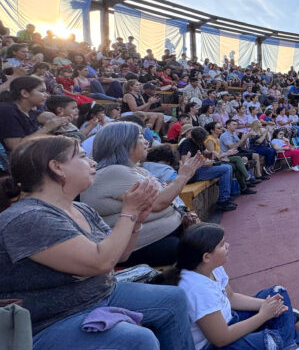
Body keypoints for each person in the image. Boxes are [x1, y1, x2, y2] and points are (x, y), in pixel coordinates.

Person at [0, 135, 194, 348]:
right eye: (82, 156)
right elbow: (101, 262)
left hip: (99, 295)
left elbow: (120, 255)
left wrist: (136, 220)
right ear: (57, 167)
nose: (92, 162)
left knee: (174, 298)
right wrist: (129, 212)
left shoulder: (81, 209)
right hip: (52, 320)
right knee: (138, 340)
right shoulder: (28, 217)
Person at [155, 223, 299, 350]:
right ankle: (287, 337)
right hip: (216, 345)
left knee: (278, 293)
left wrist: (268, 306)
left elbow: (231, 298)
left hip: (231, 319)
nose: (227, 246)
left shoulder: (212, 266)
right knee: (269, 340)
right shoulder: (197, 289)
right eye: (221, 244)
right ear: (206, 257)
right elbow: (221, 338)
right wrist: (263, 315)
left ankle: (283, 331)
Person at [81, 121, 204, 267]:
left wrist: (183, 212)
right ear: (123, 144)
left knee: (205, 239)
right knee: (200, 249)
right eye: (140, 137)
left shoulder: (137, 169)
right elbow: (159, 202)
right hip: (134, 247)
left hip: (165, 234)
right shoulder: (113, 172)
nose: (146, 141)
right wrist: (183, 176)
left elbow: (167, 196)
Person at [0, 76, 70, 152]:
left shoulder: (29, 112)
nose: (47, 95)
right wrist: (47, 128)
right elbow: (16, 147)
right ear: (25, 93)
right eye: (42, 91)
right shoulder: (7, 111)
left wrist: (55, 125)